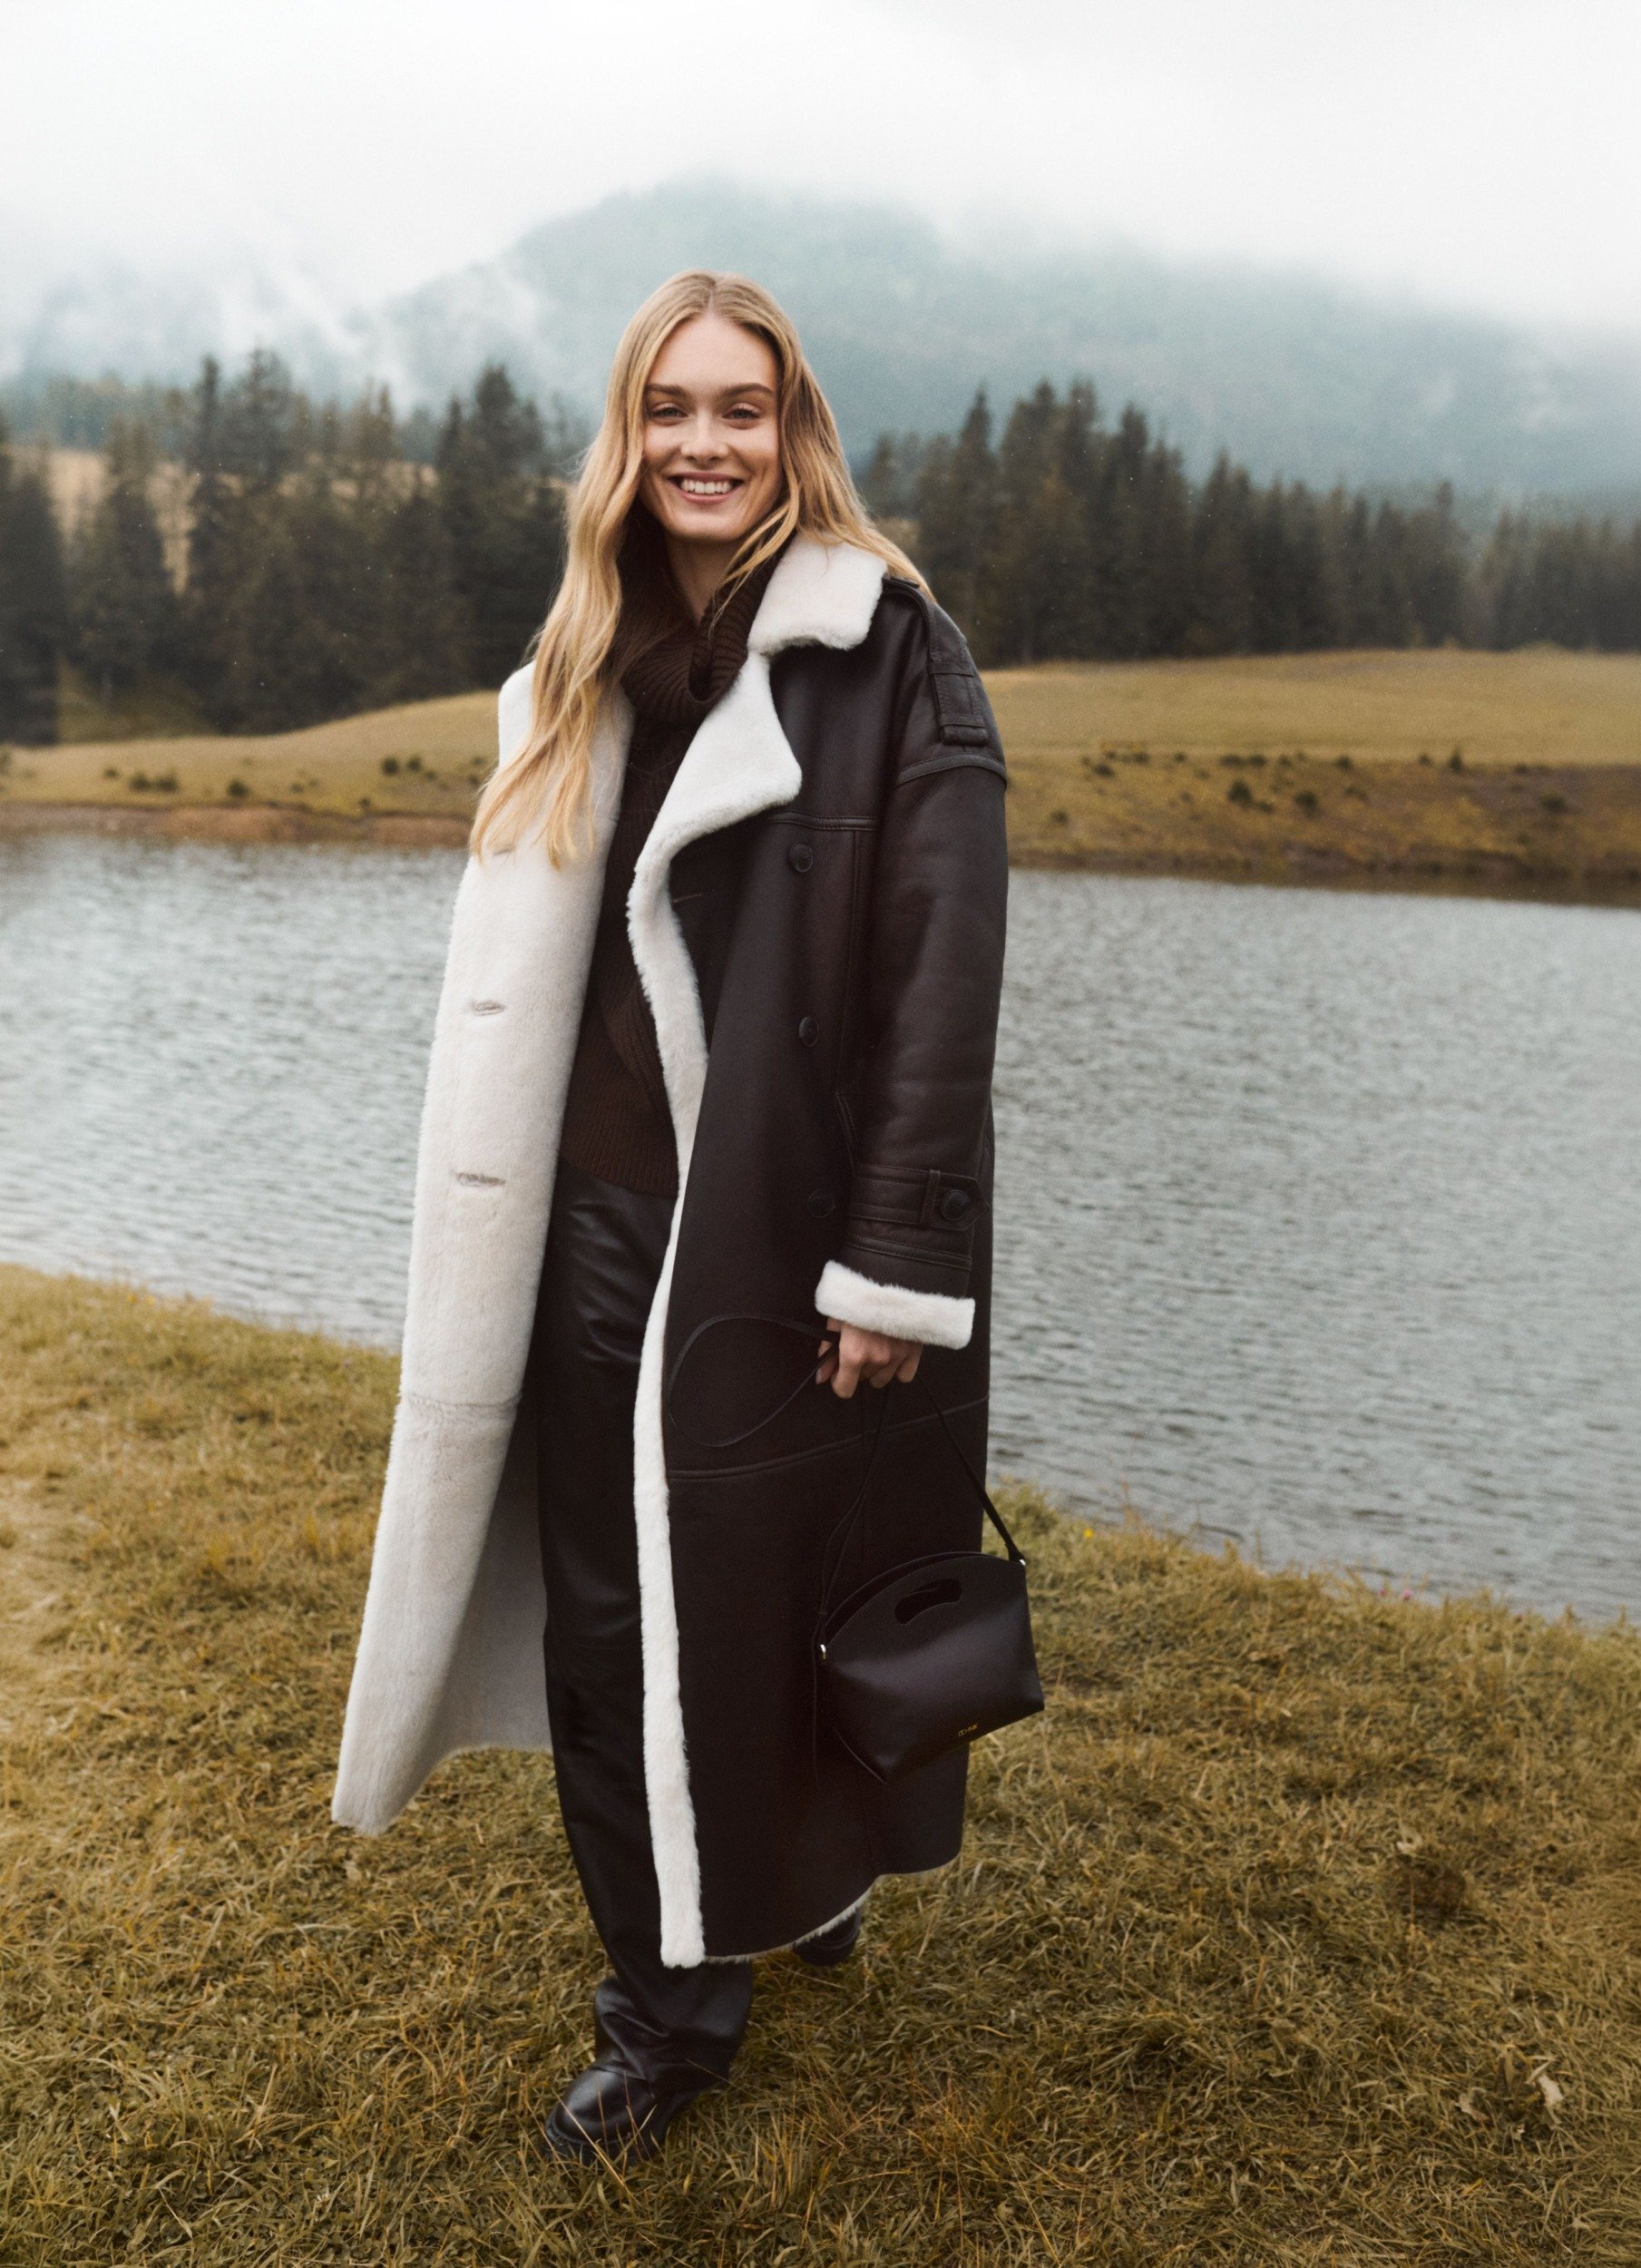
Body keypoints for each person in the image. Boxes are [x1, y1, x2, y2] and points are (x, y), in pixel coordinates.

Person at [332, 269, 1009, 2163]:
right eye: (667, 408)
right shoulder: (577, 663)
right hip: (582, 1229)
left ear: (795, 434)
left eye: (741, 409)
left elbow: (939, 984)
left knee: (784, 1598)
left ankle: (808, 1868)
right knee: (614, 1626)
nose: (703, 444)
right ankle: (666, 2014)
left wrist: (894, 1263)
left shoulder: (890, 652)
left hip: (779, 1236)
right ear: (624, 437)